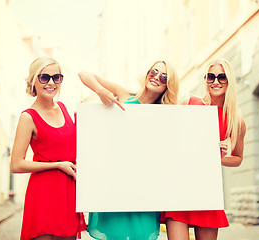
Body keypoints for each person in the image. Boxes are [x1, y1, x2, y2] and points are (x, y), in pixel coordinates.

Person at [78, 60, 179, 240]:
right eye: (153, 71)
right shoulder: (124, 95)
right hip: (114, 183)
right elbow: (84, 74)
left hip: (144, 188)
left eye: (163, 77)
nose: (156, 77)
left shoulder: (166, 115)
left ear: (168, 85)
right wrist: (102, 92)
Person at [160, 58, 246, 240]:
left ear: (229, 80)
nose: (216, 82)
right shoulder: (189, 103)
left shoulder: (236, 120)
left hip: (207, 190)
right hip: (179, 188)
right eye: (211, 76)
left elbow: (238, 158)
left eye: (222, 77)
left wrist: (218, 157)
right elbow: (169, 139)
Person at [11, 57, 86, 240]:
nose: (51, 83)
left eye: (57, 77)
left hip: (68, 193)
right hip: (43, 194)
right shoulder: (28, 117)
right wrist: (58, 165)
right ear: (33, 81)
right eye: (44, 77)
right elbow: (16, 164)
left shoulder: (63, 108)